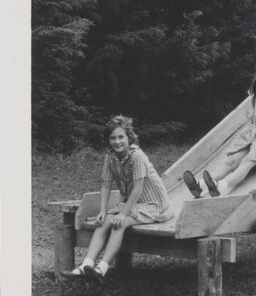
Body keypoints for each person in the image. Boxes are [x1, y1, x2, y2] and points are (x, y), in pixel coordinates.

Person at [62, 116, 173, 282]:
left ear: (129, 137)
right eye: (113, 138)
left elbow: (138, 188)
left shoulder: (137, 156)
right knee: (105, 220)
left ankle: (102, 268)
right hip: (133, 203)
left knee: (119, 223)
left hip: (154, 204)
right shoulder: (110, 157)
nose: (117, 141)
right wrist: (102, 210)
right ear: (108, 141)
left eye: (121, 137)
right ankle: (86, 265)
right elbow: (106, 184)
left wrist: (123, 214)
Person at [183, 58, 256, 199]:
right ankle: (202, 185)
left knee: (247, 161)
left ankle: (222, 186)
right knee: (232, 160)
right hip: (255, 133)